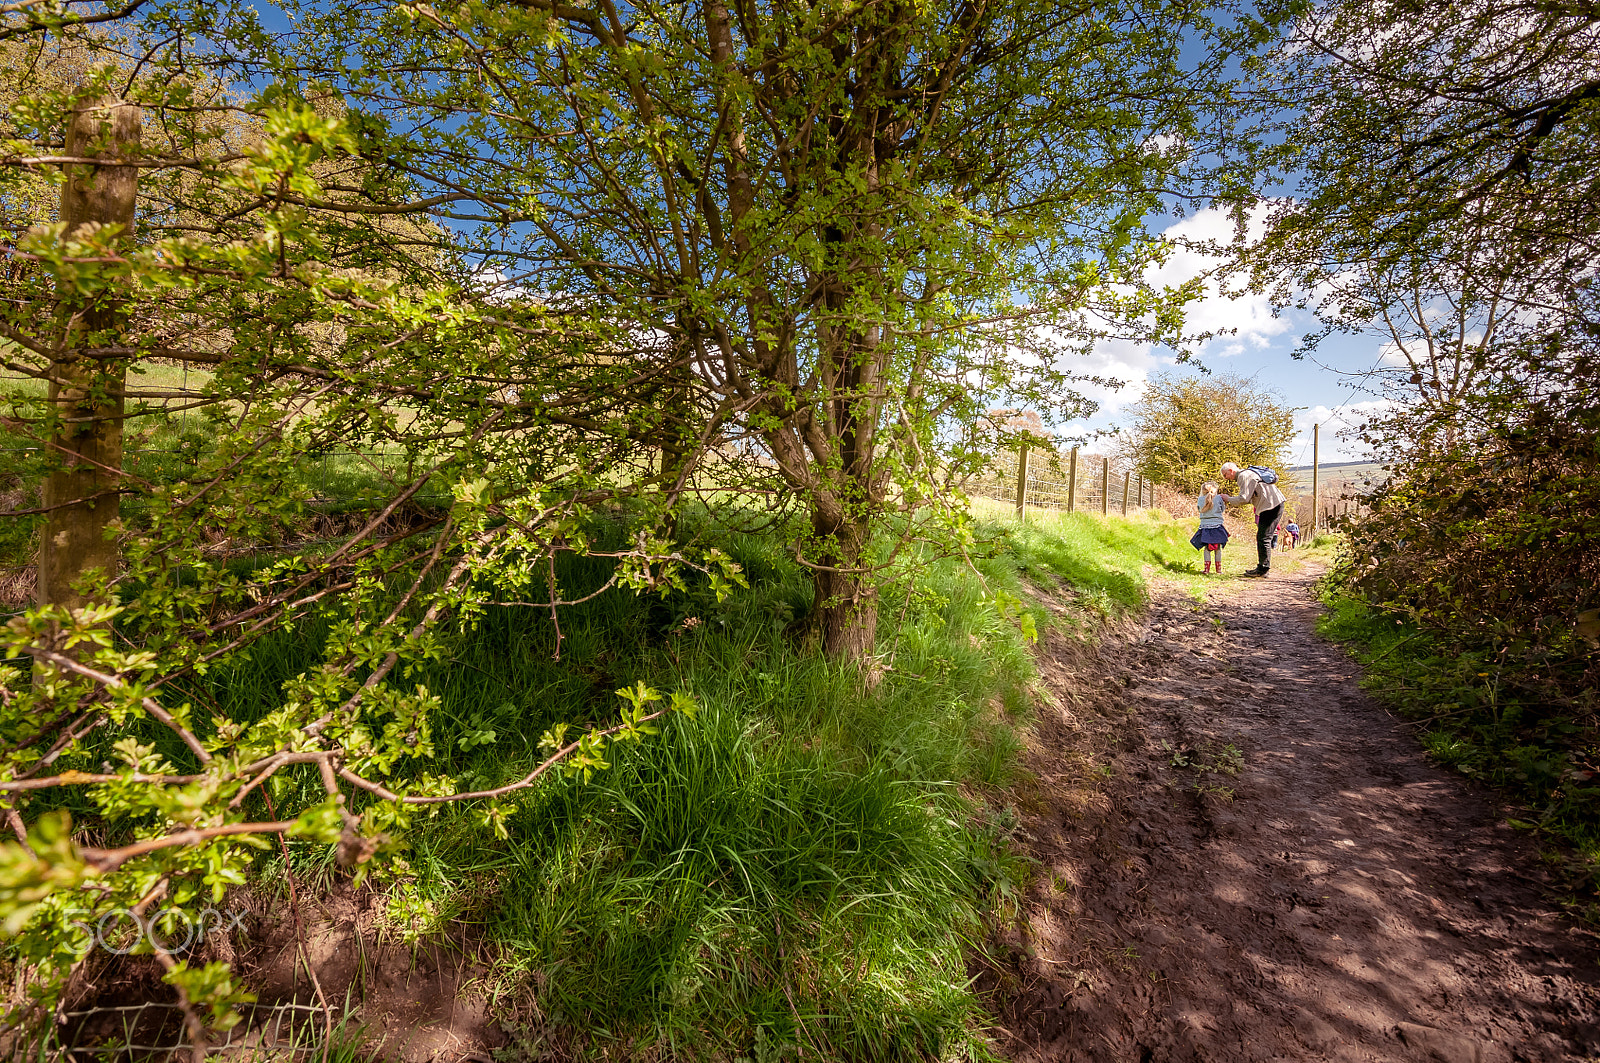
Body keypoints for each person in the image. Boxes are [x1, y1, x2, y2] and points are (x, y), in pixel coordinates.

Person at [1221, 461, 1285, 577]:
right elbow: (1250, 497)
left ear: (1231, 470)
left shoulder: (1243, 476)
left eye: (1225, 475)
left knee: (1263, 538)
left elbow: (1244, 499)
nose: (1226, 478)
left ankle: (1263, 570)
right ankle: (1262, 568)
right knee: (1263, 537)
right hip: (1274, 504)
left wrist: (1228, 499)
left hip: (1271, 506)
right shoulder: (1248, 474)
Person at [1189, 480, 1229, 573]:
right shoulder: (1218, 498)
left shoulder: (1200, 499)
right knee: (1218, 548)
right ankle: (1218, 570)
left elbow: (1199, 509)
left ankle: (1206, 569)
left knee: (1207, 548)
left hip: (1205, 526)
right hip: (1217, 526)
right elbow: (1222, 509)